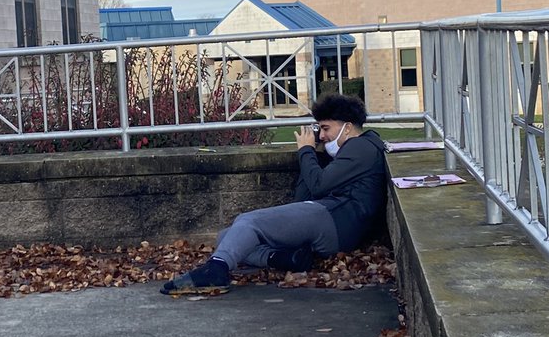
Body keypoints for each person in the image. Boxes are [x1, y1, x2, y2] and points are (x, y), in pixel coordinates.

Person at [161, 93, 388, 295]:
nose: (321, 136)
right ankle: (283, 259)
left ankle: (216, 270)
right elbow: (306, 193)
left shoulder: (361, 147)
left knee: (249, 221)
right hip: (331, 220)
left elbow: (319, 185)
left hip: (336, 220)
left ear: (347, 127)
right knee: (227, 237)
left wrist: (307, 151)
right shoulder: (353, 151)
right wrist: (317, 157)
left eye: (326, 128)